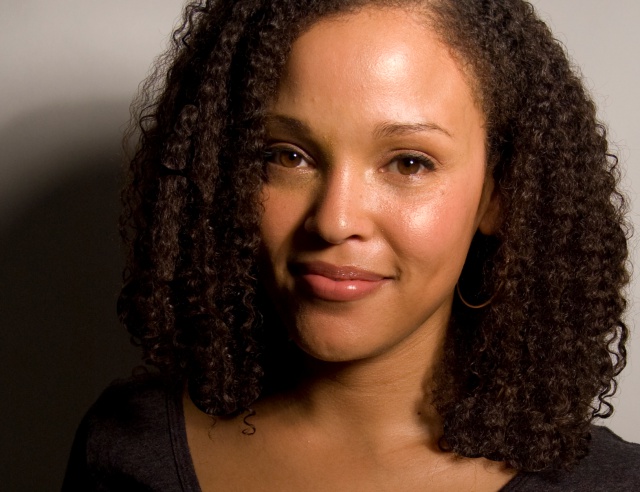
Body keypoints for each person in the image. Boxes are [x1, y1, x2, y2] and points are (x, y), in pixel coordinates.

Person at [63, 0, 640, 490]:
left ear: (498, 196)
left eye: (409, 163)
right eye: (287, 156)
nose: (335, 221)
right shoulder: (127, 446)